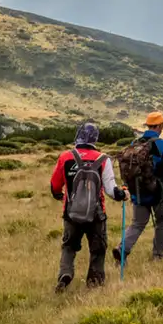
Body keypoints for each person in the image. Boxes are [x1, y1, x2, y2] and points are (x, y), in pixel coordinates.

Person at [49, 122, 126, 292]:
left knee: (69, 246)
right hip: (96, 215)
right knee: (98, 249)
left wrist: (59, 195)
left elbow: (55, 185)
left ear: (78, 136)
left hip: (71, 212)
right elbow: (111, 191)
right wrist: (123, 195)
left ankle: (65, 273)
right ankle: (95, 283)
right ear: (95, 138)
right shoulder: (103, 159)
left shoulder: (65, 157)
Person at [115, 111, 163, 264]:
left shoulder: (134, 144)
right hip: (160, 193)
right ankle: (157, 257)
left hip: (138, 193)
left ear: (148, 125)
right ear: (160, 125)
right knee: (162, 223)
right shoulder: (162, 145)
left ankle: (123, 249)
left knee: (137, 224)